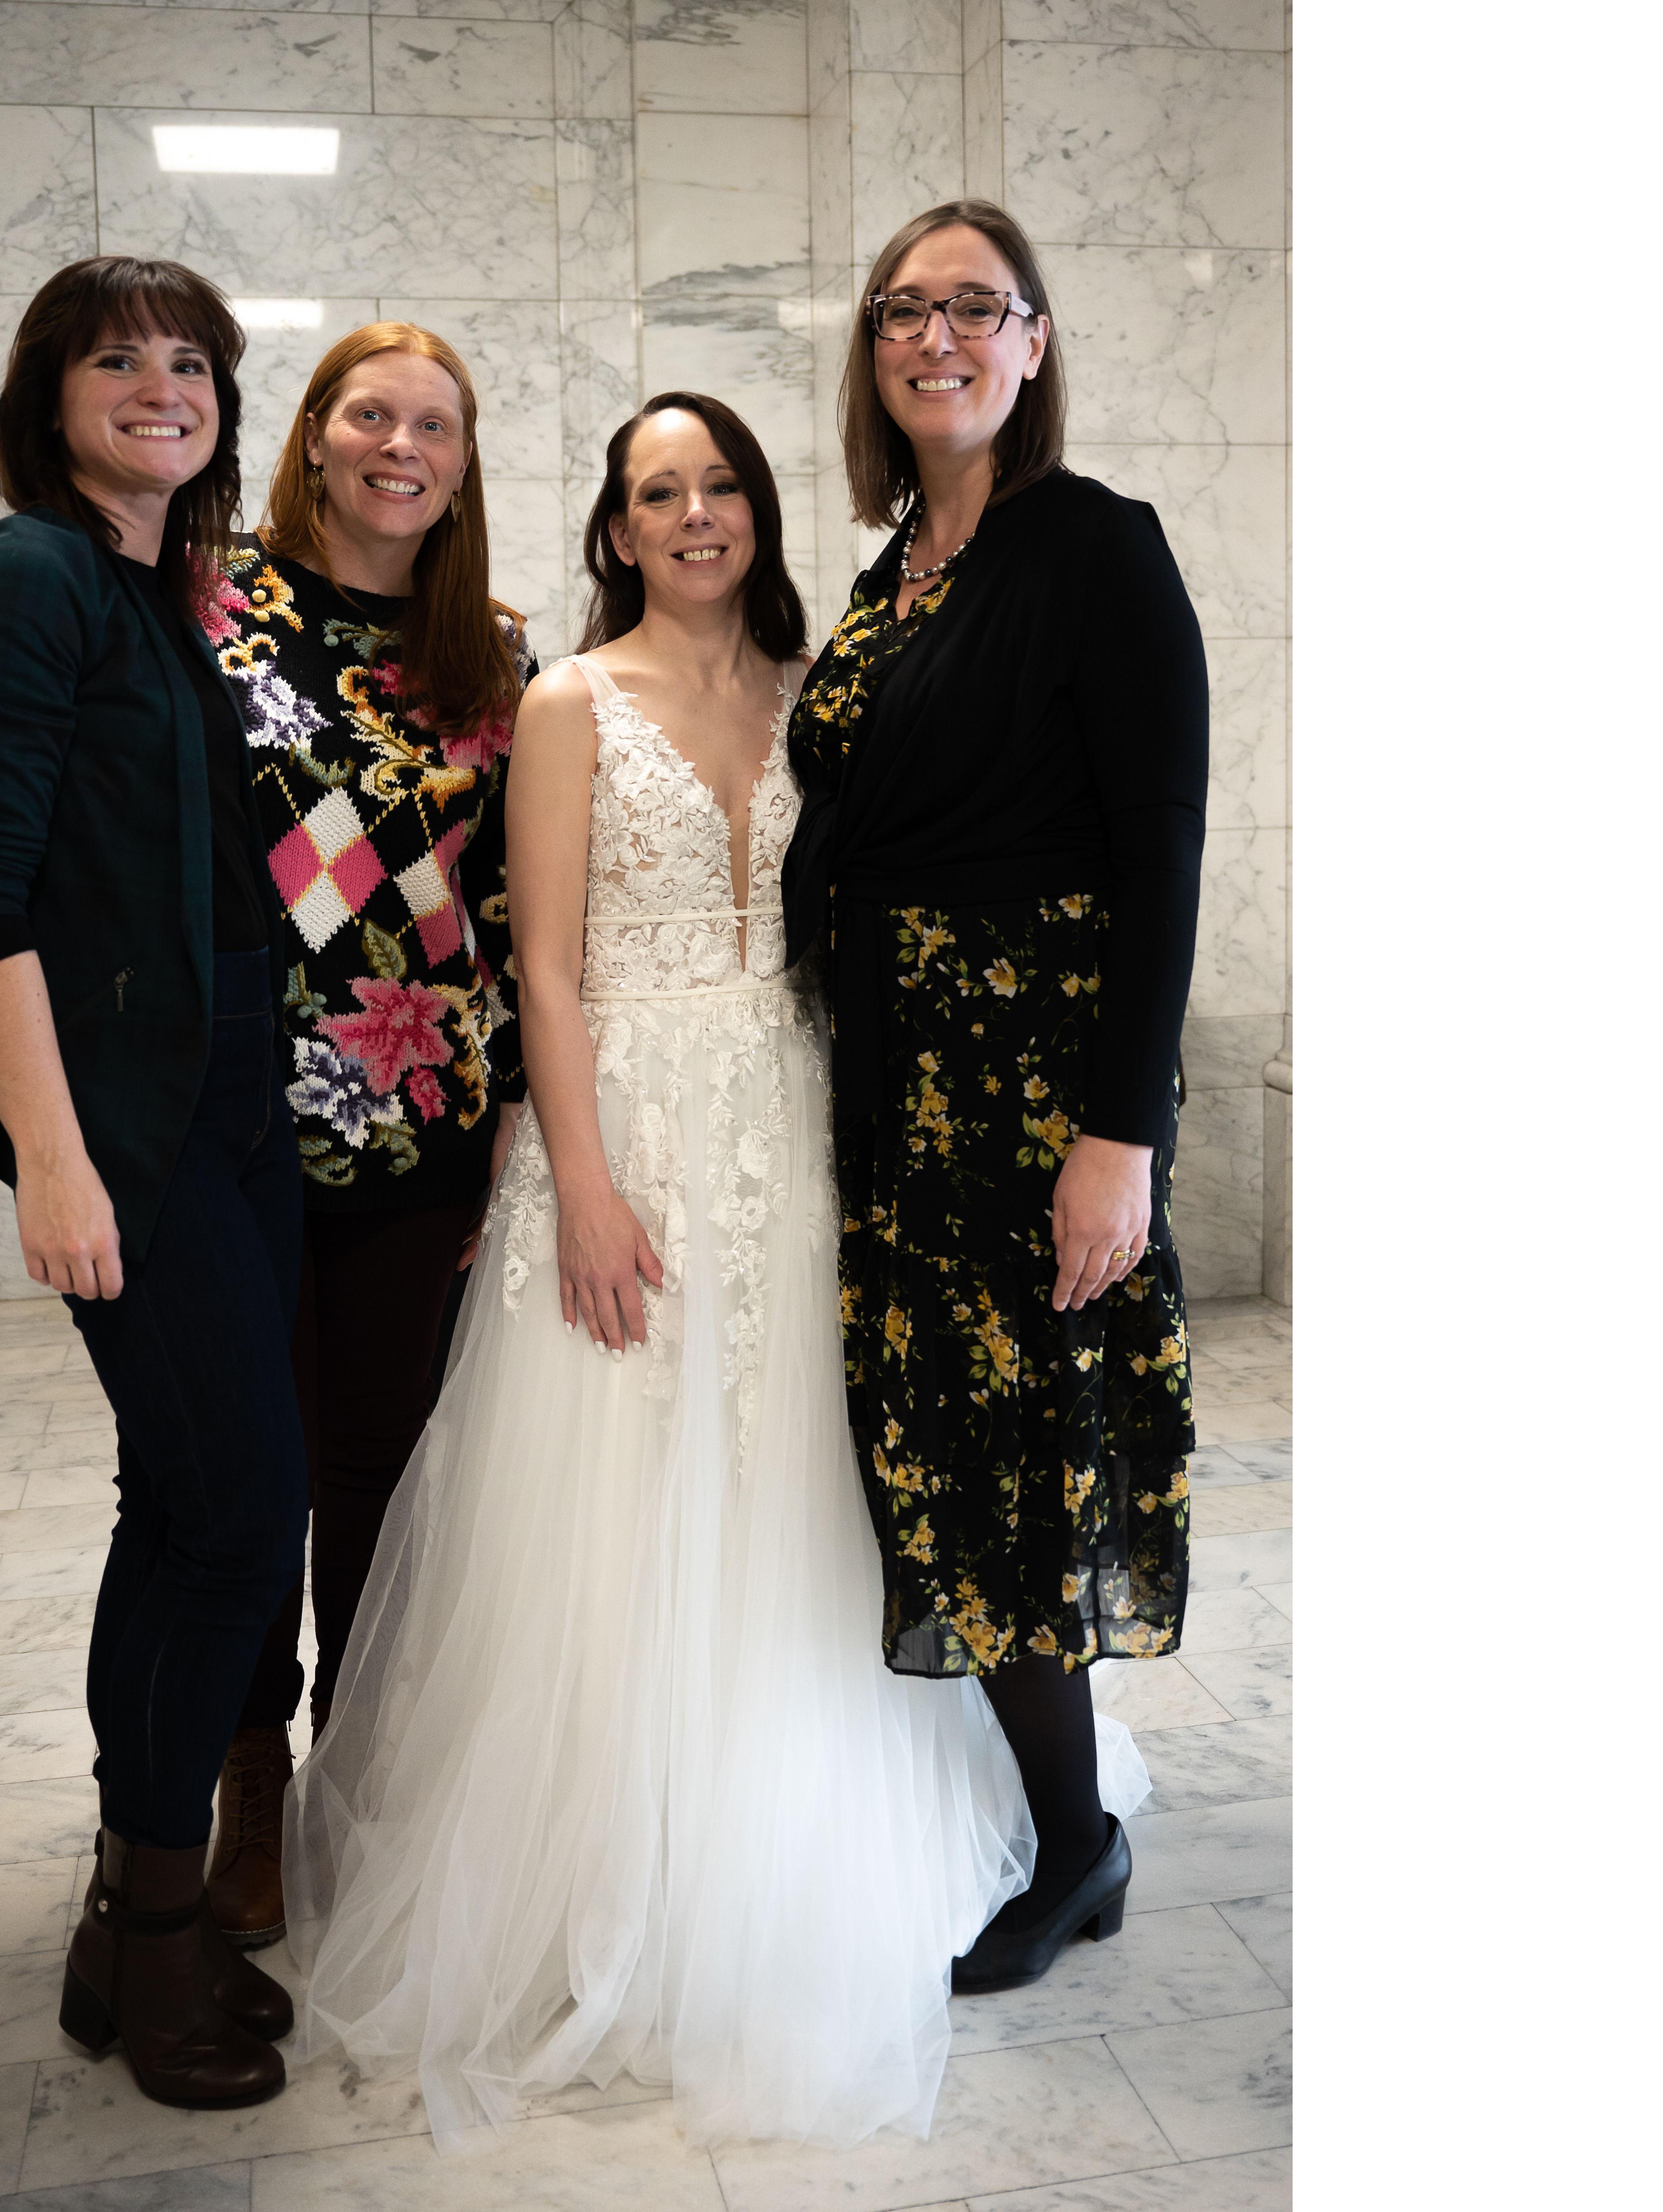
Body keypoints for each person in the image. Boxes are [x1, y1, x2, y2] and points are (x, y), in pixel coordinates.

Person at [282, 392, 1149, 2150]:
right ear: (613, 528)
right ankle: (627, 1870)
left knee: (806, 1485)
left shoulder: (828, 683)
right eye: (653, 490)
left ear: (759, 509)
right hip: (637, 1135)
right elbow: (544, 970)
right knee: (620, 1496)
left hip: (816, 1123)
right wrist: (582, 1184)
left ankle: (827, 1831)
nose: (691, 514)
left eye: (718, 485)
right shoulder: (565, 702)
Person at [782, 198, 1208, 1993]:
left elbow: (1159, 852)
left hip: (1034, 1098)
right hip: (894, 1090)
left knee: (1024, 1470)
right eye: (903, 310)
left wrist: (1119, 1137)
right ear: (872, 357)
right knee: (940, 1462)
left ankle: (1073, 1845)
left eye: (974, 306)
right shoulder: (888, 575)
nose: (935, 334)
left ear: (1031, 343)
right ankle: (1052, 1815)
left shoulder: (1089, 544)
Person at [0, 255, 302, 2110]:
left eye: (191, 362)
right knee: (234, 1510)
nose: (160, 386)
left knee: (192, 1499)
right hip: (130, 1126)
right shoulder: (22, 574)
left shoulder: (155, 592)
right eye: (115, 360)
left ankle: (121, 1908)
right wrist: (55, 1159)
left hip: (227, 1099)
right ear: (45, 390)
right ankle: (156, 1938)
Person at [193, 325, 533, 1953]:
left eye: (437, 426)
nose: (402, 445)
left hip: (420, 1120)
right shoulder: (200, 603)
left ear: (463, 465)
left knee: (377, 1473)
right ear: (315, 435)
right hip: (231, 1119)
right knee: (248, 1467)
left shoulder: (498, 658)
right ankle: (247, 1775)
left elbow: (520, 907)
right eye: (371, 414)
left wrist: (522, 1126)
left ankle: (365, 1766)